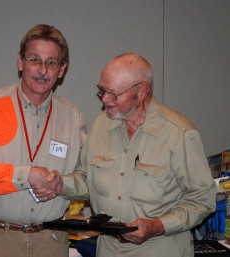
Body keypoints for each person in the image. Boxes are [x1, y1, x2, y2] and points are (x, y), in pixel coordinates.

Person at [34, 53, 217, 257]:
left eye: (112, 93)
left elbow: (202, 200)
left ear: (141, 92)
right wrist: (61, 185)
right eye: (102, 90)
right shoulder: (101, 125)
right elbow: (88, 179)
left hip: (160, 248)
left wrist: (158, 225)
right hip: (108, 248)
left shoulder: (178, 133)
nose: (104, 99)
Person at [0, 24, 86, 257]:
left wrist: (62, 185)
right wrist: (25, 175)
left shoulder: (72, 117)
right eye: (34, 60)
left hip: (51, 241)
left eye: (51, 62)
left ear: (62, 69)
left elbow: (86, 177)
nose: (42, 70)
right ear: (20, 62)